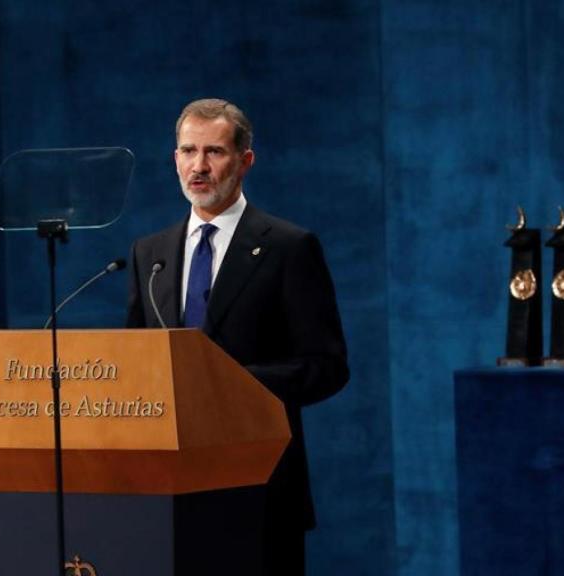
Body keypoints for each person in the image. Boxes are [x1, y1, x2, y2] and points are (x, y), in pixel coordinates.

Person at [126, 98, 349, 574]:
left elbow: (327, 367)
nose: (198, 166)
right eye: (188, 151)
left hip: (260, 489)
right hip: (166, 494)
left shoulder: (289, 247)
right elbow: (136, 364)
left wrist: (230, 385)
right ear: (174, 159)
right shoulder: (150, 254)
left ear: (245, 161)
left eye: (214, 152)